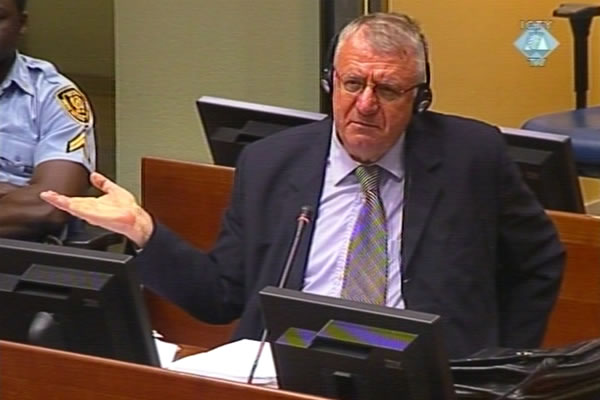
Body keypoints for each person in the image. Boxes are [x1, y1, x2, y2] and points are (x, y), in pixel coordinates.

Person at [41, 12, 564, 359]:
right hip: (290, 366)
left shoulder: (471, 157)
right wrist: (145, 233)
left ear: (419, 99)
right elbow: (221, 297)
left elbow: (539, 261)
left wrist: (502, 364)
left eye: (387, 90)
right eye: (352, 83)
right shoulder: (271, 163)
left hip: (424, 374)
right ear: (330, 82)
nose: (365, 105)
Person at [0, 0, 95, 240]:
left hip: (18, 256)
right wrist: (17, 193)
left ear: (21, 23)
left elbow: (51, 206)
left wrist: (33, 198)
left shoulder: (54, 97)